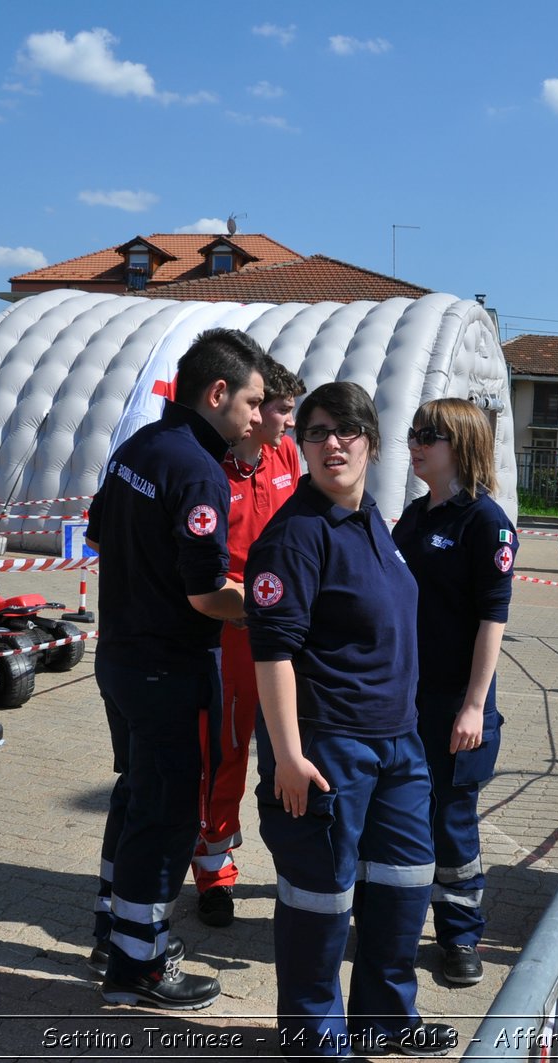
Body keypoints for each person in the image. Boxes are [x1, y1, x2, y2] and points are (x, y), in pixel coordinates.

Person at [246, 381, 456, 1060]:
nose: (332, 443)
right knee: (319, 902)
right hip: (327, 749)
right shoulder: (294, 537)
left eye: (346, 430)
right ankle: (315, 1041)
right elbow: (272, 651)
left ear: (370, 439)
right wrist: (286, 754)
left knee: (403, 886)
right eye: (316, 431)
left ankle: (384, 1021)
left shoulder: (374, 522)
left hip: (397, 746)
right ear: (300, 443)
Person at [85, 327, 265, 1010]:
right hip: (168, 666)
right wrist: (267, 605)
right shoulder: (198, 471)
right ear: (216, 393)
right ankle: (140, 963)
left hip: (120, 658)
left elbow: (100, 532)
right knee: (165, 814)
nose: (256, 416)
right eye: (250, 401)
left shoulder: (140, 446)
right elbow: (205, 593)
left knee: (136, 796)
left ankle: (114, 928)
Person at [392, 398, 515, 989]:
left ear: (461, 444)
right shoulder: (413, 519)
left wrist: (472, 706)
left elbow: (493, 621)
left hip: (455, 703)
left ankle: (461, 936)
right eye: (414, 433)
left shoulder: (485, 523)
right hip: (402, 699)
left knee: (452, 821)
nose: (416, 443)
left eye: (430, 435)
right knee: (399, 814)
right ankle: (395, 919)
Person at [190, 356, 306, 928]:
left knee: (292, 748)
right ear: (253, 411)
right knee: (225, 750)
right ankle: (213, 871)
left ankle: (298, 864)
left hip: (284, 630)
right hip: (230, 631)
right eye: (281, 410)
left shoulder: (286, 455)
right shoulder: (209, 466)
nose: (288, 422)